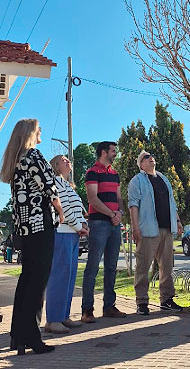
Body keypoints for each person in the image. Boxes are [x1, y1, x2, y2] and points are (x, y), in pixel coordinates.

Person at [1, 119, 64, 355]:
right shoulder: (34, 156)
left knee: (26, 282)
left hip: (23, 229)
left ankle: (17, 336)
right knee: (37, 284)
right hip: (40, 226)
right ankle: (31, 337)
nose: (41, 131)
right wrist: (61, 212)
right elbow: (49, 187)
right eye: (39, 128)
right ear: (30, 132)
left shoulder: (16, 160)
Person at [128, 151, 185, 315]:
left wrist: (178, 221)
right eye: (146, 157)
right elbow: (133, 205)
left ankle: (166, 300)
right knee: (142, 267)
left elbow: (171, 203)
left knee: (167, 267)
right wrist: (135, 227)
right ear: (141, 164)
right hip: (147, 229)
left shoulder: (163, 179)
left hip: (167, 228)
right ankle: (142, 302)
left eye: (152, 155)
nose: (151, 158)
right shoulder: (137, 181)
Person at [81, 141, 127, 322]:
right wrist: (111, 214)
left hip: (115, 225)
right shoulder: (92, 172)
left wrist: (120, 213)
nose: (116, 154)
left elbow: (119, 198)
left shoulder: (115, 174)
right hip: (98, 224)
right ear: (103, 152)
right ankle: (87, 310)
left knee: (111, 267)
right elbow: (92, 199)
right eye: (113, 151)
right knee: (92, 266)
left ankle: (109, 306)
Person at [44, 154, 88, 334]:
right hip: (62, 233)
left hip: (73, 234)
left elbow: (78, 209)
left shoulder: (68, 185)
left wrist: (83, 225)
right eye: (63, 159)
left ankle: (64, 315)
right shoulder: (55, 181)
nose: (68, 161)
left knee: (69, 278)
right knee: (59, 277)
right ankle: (53, 319)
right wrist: (79, 227)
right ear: (55, 165)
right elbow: (63, 208)